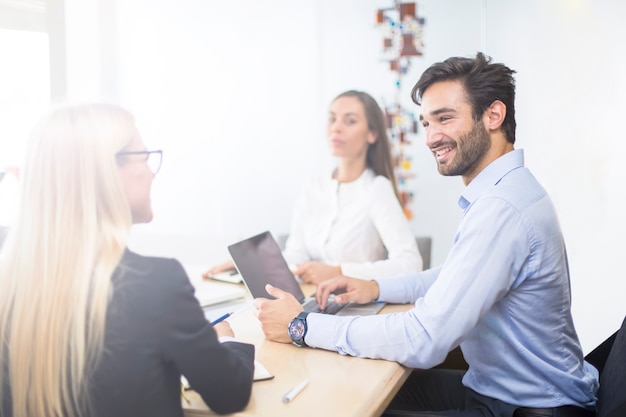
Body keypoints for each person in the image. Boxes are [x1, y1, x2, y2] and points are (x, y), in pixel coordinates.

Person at [253, 53, 599, 417]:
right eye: (426, 123)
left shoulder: (502, 208)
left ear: (493, 116)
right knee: (348, 388)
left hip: (528, 408)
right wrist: (375, 287)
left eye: (445, 118)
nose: (432, 137)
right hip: (499, 392)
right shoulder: (504, 192)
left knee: (344, 406)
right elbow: (453, 276)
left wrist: (302, 325)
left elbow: (424, 340)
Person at [0, 103, 254, 417]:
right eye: (144, 156)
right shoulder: (157, 284)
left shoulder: (11, 285)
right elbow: (230, 394)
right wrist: (226, 341)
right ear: (104, 171)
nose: (150, 172)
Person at [206, 90, 422, 284]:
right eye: (332, 119)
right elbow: (296, 254)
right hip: (310, 297)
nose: (336, 128)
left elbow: (410, 264)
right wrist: (251, 265)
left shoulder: (376, 189)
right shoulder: (314, 187)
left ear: (372, 134)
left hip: (353, 303)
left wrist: (338, 271)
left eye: (350, 121)